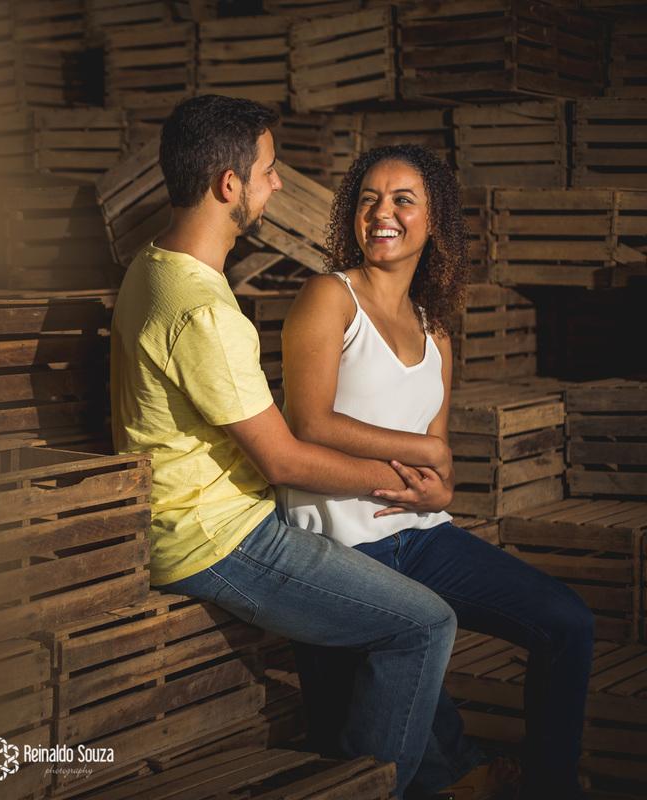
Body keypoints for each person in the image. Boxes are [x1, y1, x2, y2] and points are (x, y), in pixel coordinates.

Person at [110, 94, 459, 800]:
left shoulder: (155, 266)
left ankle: (444, 773)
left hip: (209, 518)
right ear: (228, 185)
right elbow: (285, 459)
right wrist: (407, 478)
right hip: (219, 538)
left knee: (383, 587)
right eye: (269, 170)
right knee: (425, 625)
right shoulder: (204, 311)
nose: (277, 184)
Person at [277, 143, 594, 800]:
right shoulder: (329, 297)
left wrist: (438, 485)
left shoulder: (435, 333)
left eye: (402, 200)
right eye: (368, 199)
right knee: (400, 705)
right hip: (343, 548)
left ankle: (551, 785)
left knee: (568, 622)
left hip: (421, 536)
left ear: (434, 220)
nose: (382, 213)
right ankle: (462, 777)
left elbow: (440, 464)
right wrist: (425, 454)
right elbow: (307, 423)